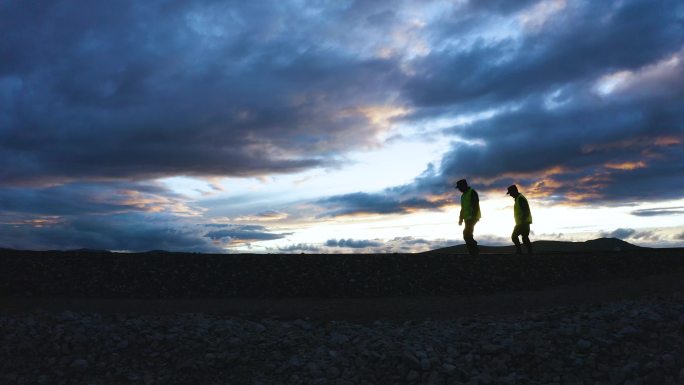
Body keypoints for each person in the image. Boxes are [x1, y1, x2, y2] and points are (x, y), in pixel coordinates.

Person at [456, 179, 481, 256]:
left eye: (460, 187)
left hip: (473, 217)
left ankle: (474, 250)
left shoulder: (472, 192)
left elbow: (475, 205)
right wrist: (460, 218)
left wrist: (474, 216)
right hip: (467, 218)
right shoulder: (463, 196)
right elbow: (463, 208)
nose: (459, 189)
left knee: (467, 234)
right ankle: (473, 250)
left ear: (464, 186)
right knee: (468, 234)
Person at [507, 184, 533, 255]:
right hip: (522, 222)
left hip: (523, 222)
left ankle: (520, 251)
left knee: (514, 236)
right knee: (525, 238)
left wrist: (522, 220)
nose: (510, 195)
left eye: (510, 193)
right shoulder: (518, 198)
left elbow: (526, 210)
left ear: (514, 191)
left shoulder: (520, 198)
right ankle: (529, 253)